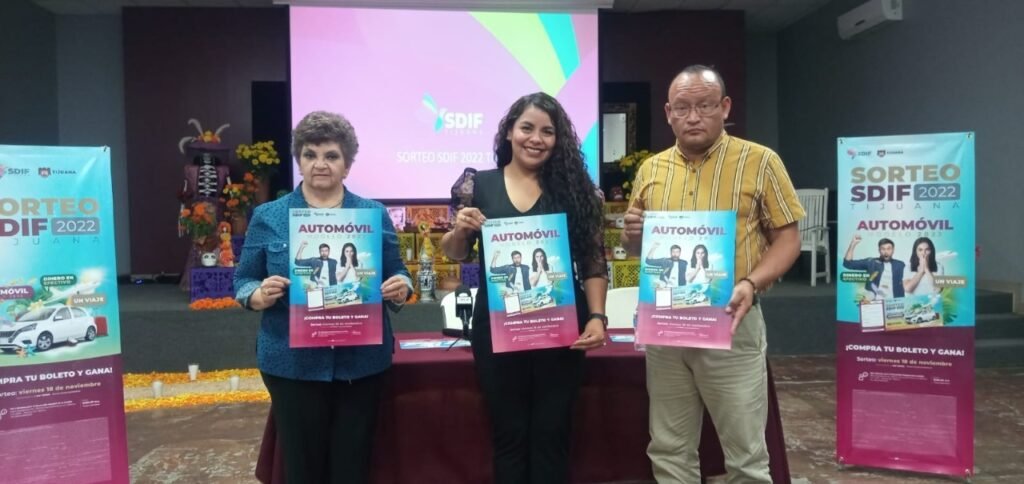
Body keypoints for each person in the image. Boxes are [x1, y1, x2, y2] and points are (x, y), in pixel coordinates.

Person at [621, 65, 804, 483]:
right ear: (668, 113)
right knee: (669, 448)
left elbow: (788, 239)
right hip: (667, 327)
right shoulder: (651, 169)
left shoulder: (760, 161)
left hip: (730, 320)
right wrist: (632, 237)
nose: (693, 117)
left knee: (745, 455)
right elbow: (638, 250)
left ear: (724, 107)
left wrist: (751, 283)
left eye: (704, 106)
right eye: (682, 107)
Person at [233, 111, 412, 484]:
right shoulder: (269, 216)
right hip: (291, 363)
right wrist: (257, 295)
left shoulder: (373, 214)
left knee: (353, 468)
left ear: (347, 165)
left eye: (331, 155)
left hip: (361, 364)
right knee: (302, 469)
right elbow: (244, 279)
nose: (320, 164)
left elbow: (399, 272)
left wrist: (401, 286)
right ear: (299, 161)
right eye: (310, 154)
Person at [441, 92, 608, 483]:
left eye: (547, 131)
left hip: (561, 328)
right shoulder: (477, 186)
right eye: (527, 128)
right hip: (497, 328)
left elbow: (593, 260)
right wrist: (460, 230)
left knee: (553, 433)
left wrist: (597, 316)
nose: (536, 139)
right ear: (509, 132)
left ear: (558, 139)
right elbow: (456, 253)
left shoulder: (575, 189)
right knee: (509, 435)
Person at [842, 235, 905, 299]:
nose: (886, 252)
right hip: (874, 301)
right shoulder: (871, 262)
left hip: (895, 302)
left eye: (889, 249)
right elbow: (847, 264)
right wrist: (853, 244)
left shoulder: (900, 265)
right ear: (879, 250)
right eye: (883, 249)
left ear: (893, 250)